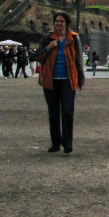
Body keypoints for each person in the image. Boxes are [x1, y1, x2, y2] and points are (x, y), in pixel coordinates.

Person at [31, 12, 86, 154]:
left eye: (61, 21)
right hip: (50, 80)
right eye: (57, 21)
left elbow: (78, 60)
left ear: (66, 23)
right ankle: (55, 142)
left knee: (67, 110)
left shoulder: (74, 38)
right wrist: (49, 47)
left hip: (68, 79)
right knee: (53, 113)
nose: (59, 24)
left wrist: (81, 79)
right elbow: (36, 56)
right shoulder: (48, 38)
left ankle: (67, 143)